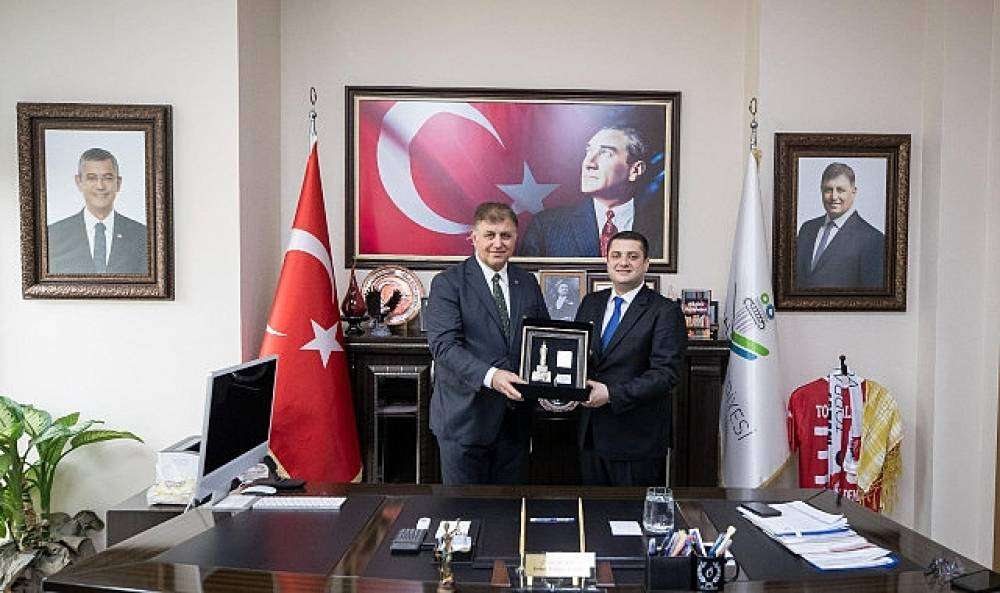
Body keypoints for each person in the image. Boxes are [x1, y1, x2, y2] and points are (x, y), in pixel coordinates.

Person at [425, 202, 548, 484]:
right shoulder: (448, 283)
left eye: (506, 235)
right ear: (473, 237)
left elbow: (542, 338)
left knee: (509, 508)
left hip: (515, 423)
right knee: (463, 508)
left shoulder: (527, 282)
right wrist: (492, 377)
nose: (498, 243)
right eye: (490, 235)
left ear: (515, 238)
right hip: (465, 421)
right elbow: (444, 346)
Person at [573, 230, 685, 486]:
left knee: (632, 511)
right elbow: (579, 357)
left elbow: (666, 374)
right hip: (590, 436)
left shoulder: (665, 311)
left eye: (632, 256)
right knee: (592, 509)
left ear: (646, 263)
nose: (623, 262)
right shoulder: (590, 303)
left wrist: (611, 394)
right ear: (607, 261)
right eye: (616, 255)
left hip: (636, 441)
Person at [517, 125, 663, 259]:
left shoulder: (662, 229)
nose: (589, 163)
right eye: (588, 151)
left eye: (605, 153)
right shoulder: (546, 226)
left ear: (635, 170)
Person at [47, 148, 147, 275]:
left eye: (108, 178)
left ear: (118, 183)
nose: (100, 186)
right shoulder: (53, 235)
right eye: (92, 178)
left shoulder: (142, 236)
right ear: (79, 182)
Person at [795, 162, 884, 288]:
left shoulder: (873, 239)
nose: (834, 197)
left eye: (840, 190)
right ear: (821, 191)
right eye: (828, 190)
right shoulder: (807, 229)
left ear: (853, 192)